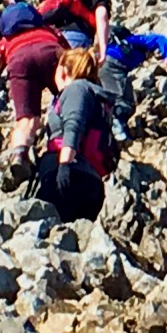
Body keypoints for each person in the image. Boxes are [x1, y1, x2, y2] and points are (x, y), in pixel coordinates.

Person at [36, 43, 121, 221]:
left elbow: (73, 126)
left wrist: (64, 165)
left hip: (68, 175)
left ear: (63, 70)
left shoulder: (76, 89)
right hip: (90, 178)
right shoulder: (97, 96)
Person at [0, 0, 69, 157]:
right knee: (68, 99)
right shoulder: (49, 30)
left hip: (20, 60)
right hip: (50, 53)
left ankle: (20, 155)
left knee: (27, 119)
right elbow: (72, 57)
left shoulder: (6, 41)